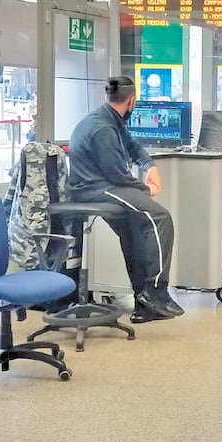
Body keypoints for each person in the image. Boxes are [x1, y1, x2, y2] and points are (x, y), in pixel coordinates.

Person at [68, 76, 182, 324]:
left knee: (135, 227)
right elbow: (117, 175)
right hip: (94, 189)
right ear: (132, 101)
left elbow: (133, 146)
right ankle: (155, 293)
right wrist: (146, 188)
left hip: (103, 185)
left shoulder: (110, 119)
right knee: (159, 217)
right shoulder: (103, 129)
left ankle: (143, 302)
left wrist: (149, 165)